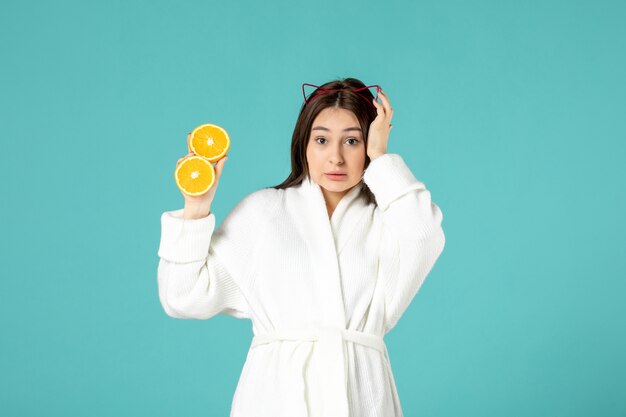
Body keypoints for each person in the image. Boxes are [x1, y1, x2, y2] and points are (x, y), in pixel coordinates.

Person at [157, 77, 446, 417]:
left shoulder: (385, 220)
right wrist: (195, 209)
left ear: (368, 144)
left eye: (352, 141)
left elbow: (425, 235)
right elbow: (182, 296)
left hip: (362, 395)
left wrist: (381, 157)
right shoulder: (263, 211)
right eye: (321, 140)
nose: (335, 157)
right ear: (303, 145)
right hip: (275, 396)